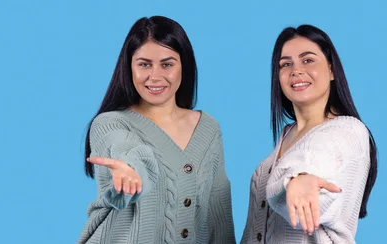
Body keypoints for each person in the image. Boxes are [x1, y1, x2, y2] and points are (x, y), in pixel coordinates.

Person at [77, 16, 236, 244]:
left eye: (167, 64)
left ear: (184, 65)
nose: (155, 76)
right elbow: (123, 147)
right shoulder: (109, 123)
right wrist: (131, 170)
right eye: (144, 64)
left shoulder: (208, 129)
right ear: (129, 67)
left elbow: (218, 214)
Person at [240, 24, 378, 243]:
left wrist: (299, 179)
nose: (296, 70)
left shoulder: (348, 131)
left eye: (308, 60)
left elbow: (313, 160)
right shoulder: (286, 135)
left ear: (332, 70)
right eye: (286, 64)